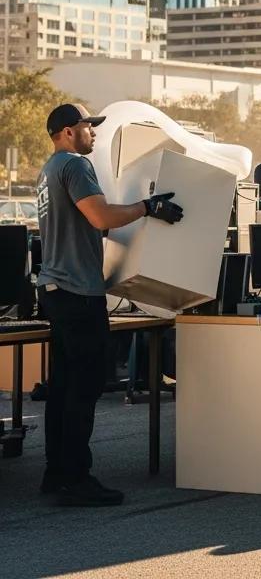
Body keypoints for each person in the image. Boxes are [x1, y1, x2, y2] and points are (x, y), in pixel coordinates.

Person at [36, 103, 184, 507]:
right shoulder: (75, 167)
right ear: (68, 132)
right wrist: (147, 207)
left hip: (54, 290)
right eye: (89, 127)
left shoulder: (48, 171)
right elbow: (101, 217)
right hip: (78, 293)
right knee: (83, 390)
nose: (95, 133)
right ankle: (77, 478)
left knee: (63, 387)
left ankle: (57, 473)